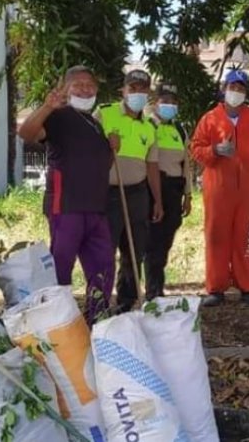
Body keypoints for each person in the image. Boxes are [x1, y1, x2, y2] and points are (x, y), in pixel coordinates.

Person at [16, 65, 115, 324]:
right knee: (62, 265)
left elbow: (99, 166)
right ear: (66, 89)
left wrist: (111, 147)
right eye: (78, 84)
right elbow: (25, 133)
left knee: (103, 266)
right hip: (66, 207)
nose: (85, 89)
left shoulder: (94, 124)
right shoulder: (59, 116)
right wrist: (47, 106)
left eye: (90, 84)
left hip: (96, 209)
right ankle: (60, 320)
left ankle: (98, 318)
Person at [189, 69, 249, 309]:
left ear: (245, 93)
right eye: (232, 87)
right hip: (218, 189)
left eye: (240, 88)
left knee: (248, 235)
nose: (236, 92)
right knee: (217, 235)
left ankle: (248, 287)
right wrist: (214, 151)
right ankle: (216, 288)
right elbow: (196, 148)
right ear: (224, 89)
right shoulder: (210, 119)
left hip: (248, 190)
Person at [95, 69, 163, 313]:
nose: (137, 93)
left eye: (142, 90)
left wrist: (157, 200)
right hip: (108, 194)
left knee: (134, 251)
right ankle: (98, 303)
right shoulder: (104, 114)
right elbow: (89, 150)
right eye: (132, 89)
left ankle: (126, 302)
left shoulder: (149, 127)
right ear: (122, 91)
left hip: (138, 194)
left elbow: (152, 165)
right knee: (104, 250)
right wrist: (105, 145)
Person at [144, 83, 193, 300]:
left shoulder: (179, 130)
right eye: (164, 102)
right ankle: (153, 292)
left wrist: (188, 195)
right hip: (153, 189)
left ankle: (157, 287)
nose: (169, 106)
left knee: (165, 241)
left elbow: (187, 165)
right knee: (152, 243)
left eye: (173, 102)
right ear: (155, 104)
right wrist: (156, 198)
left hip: (175, 190)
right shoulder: (148, 126)